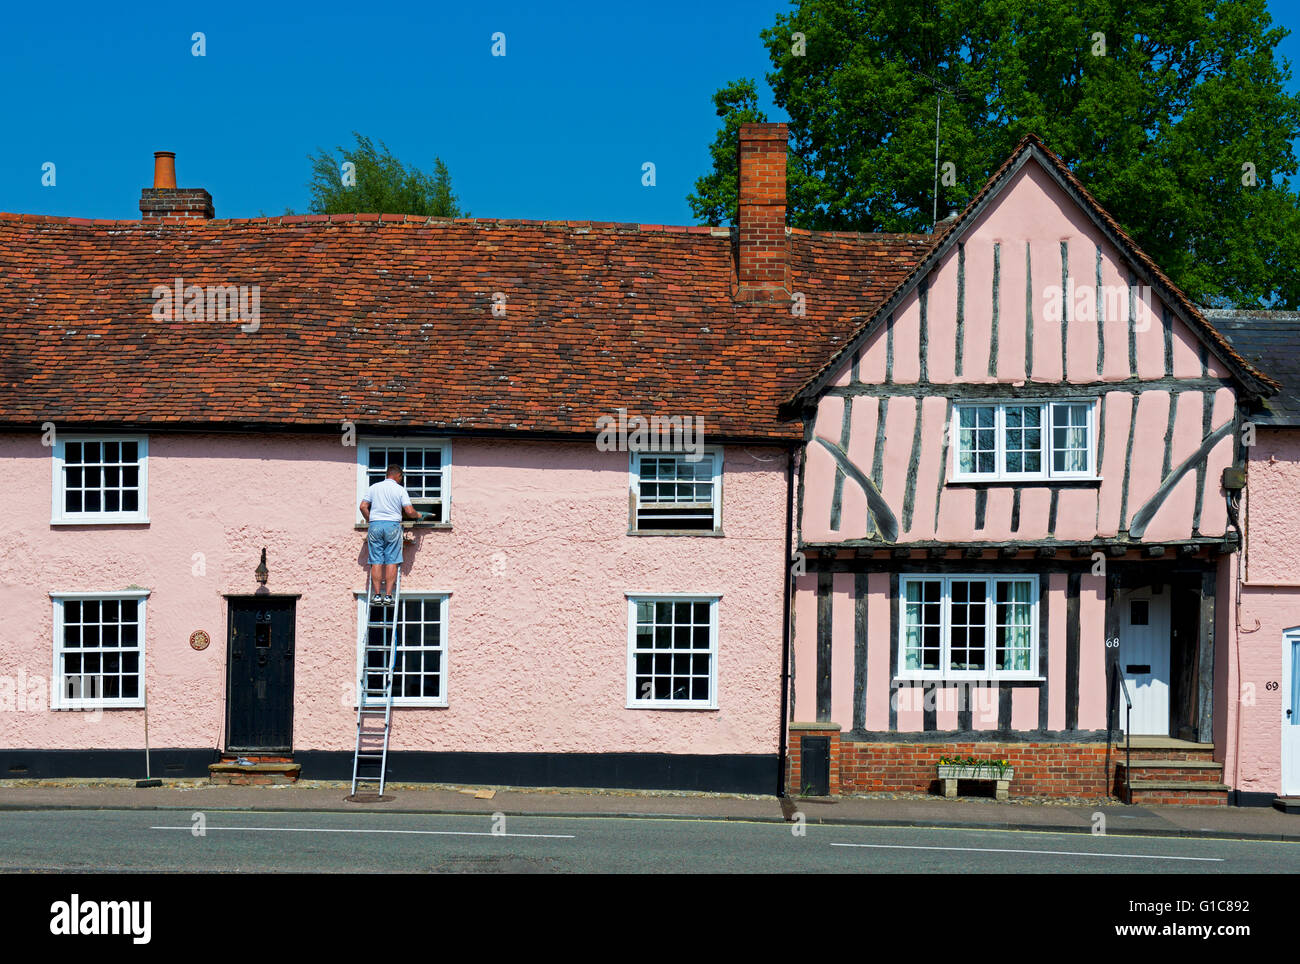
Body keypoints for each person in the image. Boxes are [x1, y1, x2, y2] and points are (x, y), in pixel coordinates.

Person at [359, 464, 419, 605]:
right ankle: (388, 596)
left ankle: (377, 595)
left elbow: (363, 506)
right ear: (398, 476)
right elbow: (409, 511)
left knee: (376, 560)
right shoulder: (400, 489)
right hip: (392, 525)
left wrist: (371, 520)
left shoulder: (374, 487)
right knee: (391, 560)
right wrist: (418, 514)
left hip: (375, 525)